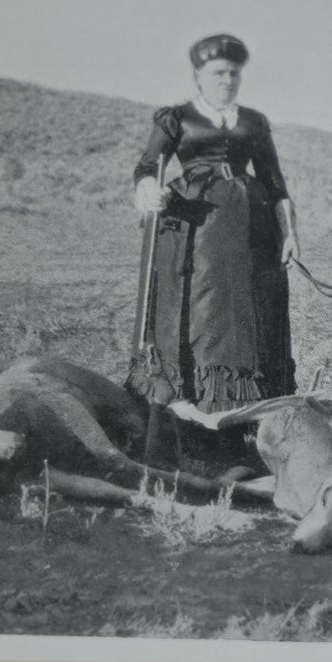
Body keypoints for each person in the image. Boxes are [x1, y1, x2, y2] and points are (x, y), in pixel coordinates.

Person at [130, 34, 300, 416]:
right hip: (193, 224)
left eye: (235, 73)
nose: (228, 80)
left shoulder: (254, 122)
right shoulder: (176, 118)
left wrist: (288, 232)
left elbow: (274, 180)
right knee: (203, 299)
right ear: (199, 75)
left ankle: (251, 401)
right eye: (219, 73)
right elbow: (146, 165)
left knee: (248, 300)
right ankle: (189, 395)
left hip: (251, 228)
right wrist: (148, 188)